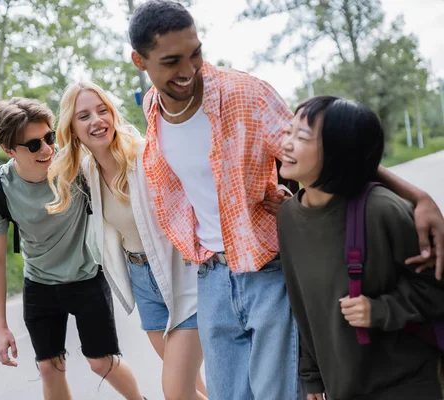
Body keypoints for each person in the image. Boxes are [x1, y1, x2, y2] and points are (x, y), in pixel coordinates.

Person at [127, 1, 444, 398]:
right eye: (172, 61)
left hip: (267, 269)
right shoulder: (154, 111)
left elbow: (331, 154)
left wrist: (418, 197)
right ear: (140, 61)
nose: (189, 71)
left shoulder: (244, 93)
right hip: (210, 277)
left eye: (196, 53)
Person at [46, 81, 208, 400]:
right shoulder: (88, 171)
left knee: (176, 390)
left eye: (102, 110)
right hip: (143, 282)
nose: (96, 120)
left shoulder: (146, 155)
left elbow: (192, 201)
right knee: (189, 386)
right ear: (72, 128)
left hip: (180, 275)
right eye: (84, 115)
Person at [278, 95, 444, 400]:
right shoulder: (288, 217)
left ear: (338, 148)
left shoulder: (383, 211)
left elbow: (435, 289)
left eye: (302, 136)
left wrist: (380, 309)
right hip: (343, 387)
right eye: (288, 132)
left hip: (407, 384)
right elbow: (301, 301)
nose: (286, 143)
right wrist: (311, 376)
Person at [0, 98, 145, 400]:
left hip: (86, 278)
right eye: (33, 145)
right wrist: (0, 327)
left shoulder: (77, 168)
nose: (46, 149)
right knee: (48, 368)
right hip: (40, 285)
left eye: (48, 138)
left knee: (101, 362)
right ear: (9, 150)